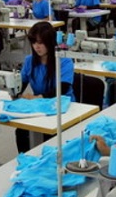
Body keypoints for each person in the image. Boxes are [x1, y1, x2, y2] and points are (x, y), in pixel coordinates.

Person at [16, 22, 75, 153]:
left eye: (41, 42)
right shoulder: (29, 61)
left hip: (62, 106)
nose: (36, 46)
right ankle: (27, 161)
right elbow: (20, 83)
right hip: (40, 106)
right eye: (34, 42)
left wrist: (38, 97)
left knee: (51, 136)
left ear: (50, 42)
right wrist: (14, 93)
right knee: (21, 132)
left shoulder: (64, 61)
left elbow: (63, 88)